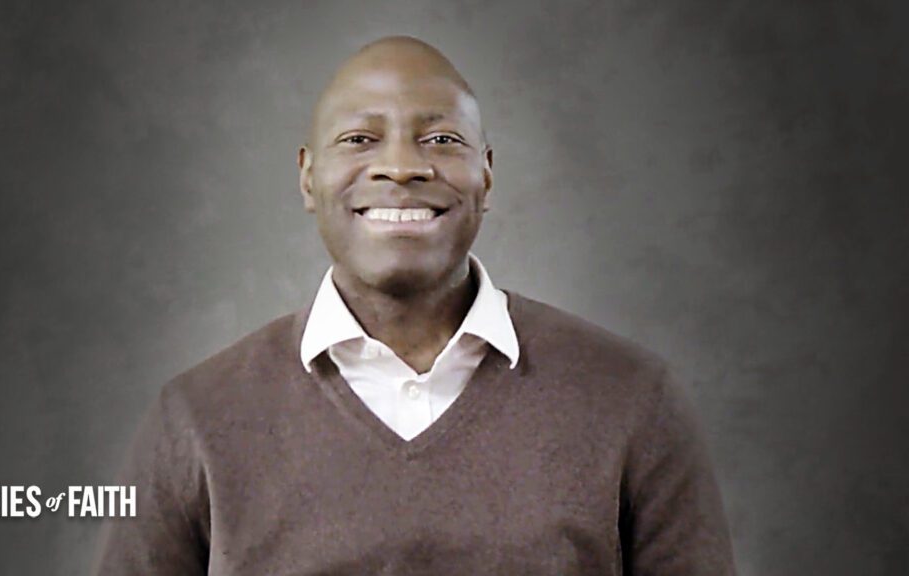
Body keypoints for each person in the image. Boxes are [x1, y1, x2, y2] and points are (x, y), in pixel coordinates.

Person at [92, 36, 736, 575]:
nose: (401, 167)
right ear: (306, 177)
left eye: (441, 140)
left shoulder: (631, 398)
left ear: (487, 174)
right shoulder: (197, 418)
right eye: (359, 140)